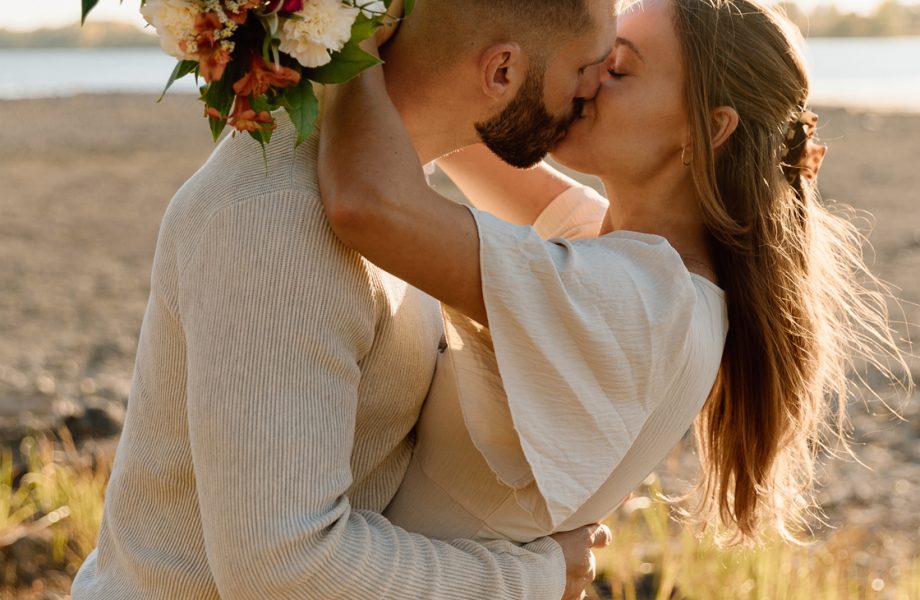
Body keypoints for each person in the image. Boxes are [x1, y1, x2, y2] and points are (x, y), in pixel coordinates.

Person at [71, 1, 620, 599]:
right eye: (588, 66)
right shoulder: (275, 222)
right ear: (502, 72)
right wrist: (534, 577)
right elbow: (285, 566)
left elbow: (593, 238)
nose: (595, 89)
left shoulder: (394, 178)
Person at [318, 0, 910, 546]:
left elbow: (369, 203)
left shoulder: (640, 302)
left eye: (618, 69)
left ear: (708, 130)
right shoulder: (635, 260)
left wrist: (339, 24)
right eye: (596, 53)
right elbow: (452, 117)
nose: (587, 75)